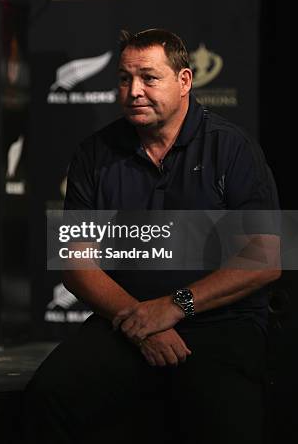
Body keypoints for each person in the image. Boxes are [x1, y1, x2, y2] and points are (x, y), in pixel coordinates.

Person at [23, 28, 280, 444]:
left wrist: (174, 307)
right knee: (49, 396)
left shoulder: (231, 148)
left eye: (149, 77)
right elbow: (76, 264)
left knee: (221, 418)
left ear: (184, 81)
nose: (134, 91)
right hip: (127, 320)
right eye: (124, 78)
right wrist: (144, 322)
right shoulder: (95, 153)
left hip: (220, 322)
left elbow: (265, 260)